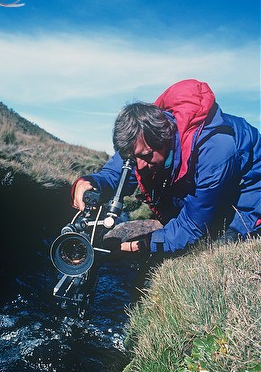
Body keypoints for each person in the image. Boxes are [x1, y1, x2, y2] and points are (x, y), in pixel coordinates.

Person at [72, 79, 261, 255]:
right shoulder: (142, 142)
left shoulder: (214, 150)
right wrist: (91, 183)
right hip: (212, 183)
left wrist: (142, 246)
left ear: (165, 138)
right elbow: (115, 173)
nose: (139, 166)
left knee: (221, 245)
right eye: (132, 157)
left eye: (145, 156)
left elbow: (193, 226)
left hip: (250, 195)